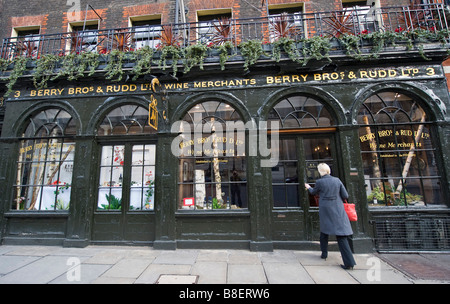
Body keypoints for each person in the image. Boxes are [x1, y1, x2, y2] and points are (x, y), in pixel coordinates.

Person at [305, 163, 356, 270]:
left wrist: (308, 187)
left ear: (320, 171)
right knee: (341, 235)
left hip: (326, 210)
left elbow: (314, 192)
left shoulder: (320, 182)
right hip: (337, 209)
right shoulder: (337, 180)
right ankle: (348, 262)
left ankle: (325, 254)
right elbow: (345, 195)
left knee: (324, 232)